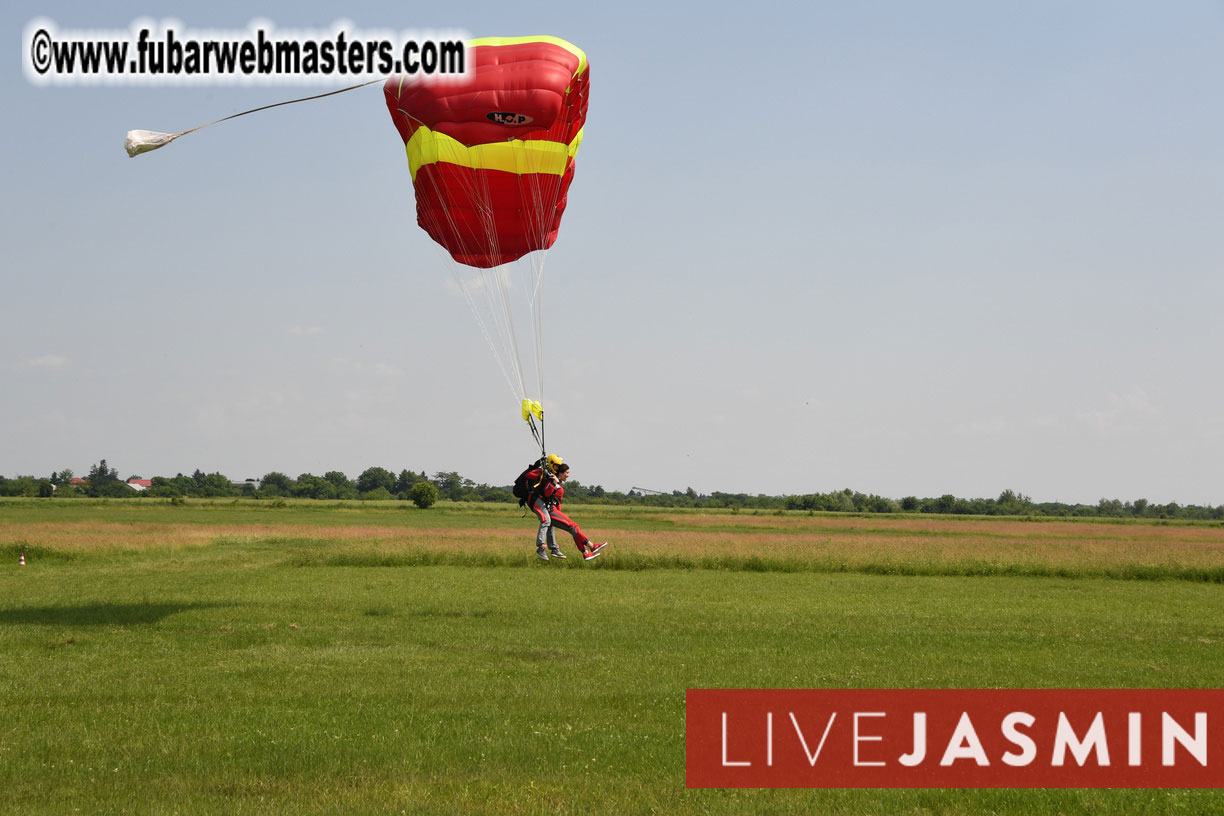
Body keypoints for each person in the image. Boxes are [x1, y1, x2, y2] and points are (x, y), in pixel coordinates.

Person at [526, 456, 608, 562]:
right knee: (573, 527)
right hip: (550, 511)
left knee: (574, 528)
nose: (568, 476)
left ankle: (586, 553)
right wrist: (553, 482)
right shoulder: (552, 481)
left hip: (554, 511)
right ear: (560, 473)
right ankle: (591, 546)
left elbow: (557, 503)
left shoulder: (557, 484)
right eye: (567, 473)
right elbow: (547, 493)